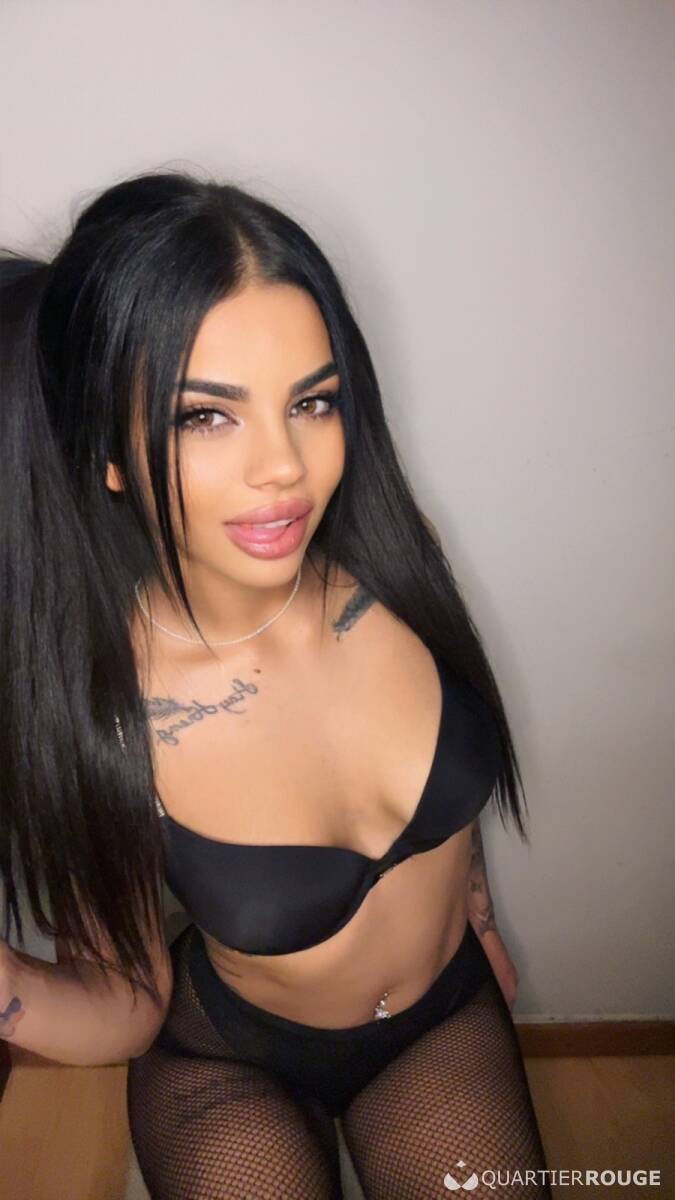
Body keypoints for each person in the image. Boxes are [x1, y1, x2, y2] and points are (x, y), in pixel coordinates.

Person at [0, 171, 551, 1199]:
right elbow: (123, 1005)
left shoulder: (392, 559)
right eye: (206, 417)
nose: (284, 467)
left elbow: (446, 782)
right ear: (107, 453)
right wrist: (9, 989)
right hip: (230, 1068)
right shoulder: (99, 710)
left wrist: (473, 910)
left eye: (312, 401)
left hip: (444, 1020)